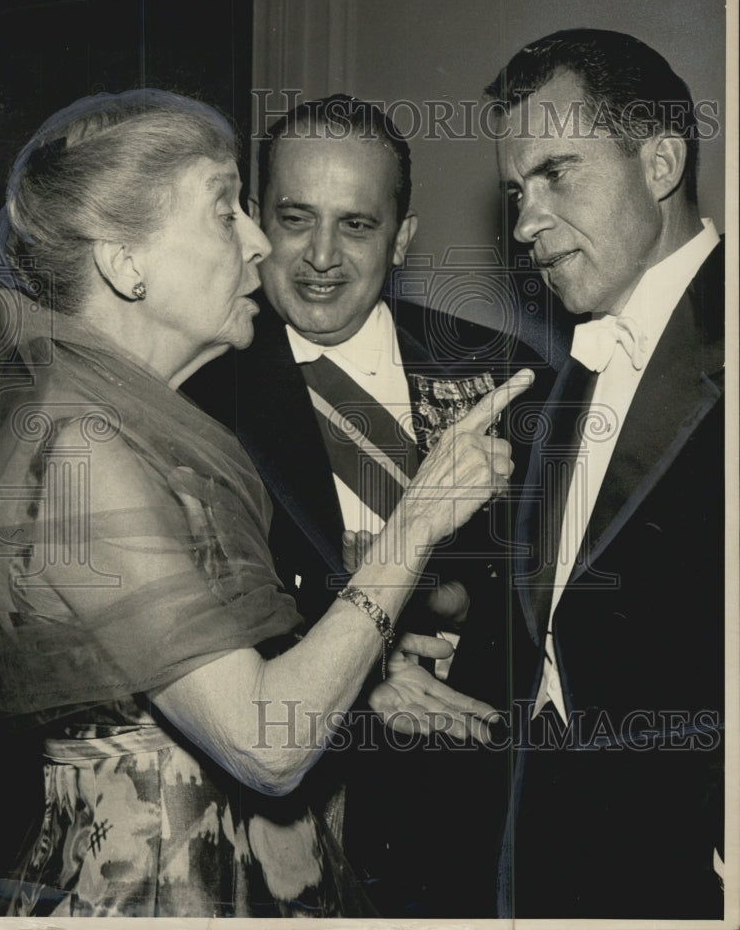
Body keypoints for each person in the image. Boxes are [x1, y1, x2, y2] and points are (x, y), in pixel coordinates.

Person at [0, 88, 532, 919]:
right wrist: (417, 517)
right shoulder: (81, 449)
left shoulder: (130, 427)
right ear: (123, 262)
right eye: (226, 212)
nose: (258, 244)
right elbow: (266, 746)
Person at [184, 94, 549, 915]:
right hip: (277, 829)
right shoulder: (192, 390)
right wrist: (359, 665)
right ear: (254, 222)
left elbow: (547, 598)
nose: (320, 256)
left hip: (467, 822)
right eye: (294, 218)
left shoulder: (502, 373)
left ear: (403, 238)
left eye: (355, 225)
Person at [470, 28, 724, 918]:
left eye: (556, 174)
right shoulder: (564, 375)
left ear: (658, 163)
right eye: (514, 191)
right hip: (553, 855)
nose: (524, 222)